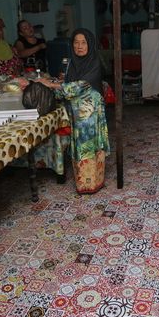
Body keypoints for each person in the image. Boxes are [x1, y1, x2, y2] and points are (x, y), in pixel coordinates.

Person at [38, 28, 109, 194]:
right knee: (79, 147)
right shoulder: (71, 62)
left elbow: (79, 86)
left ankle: (92, 183)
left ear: (90, 44)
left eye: (83, 42)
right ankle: (83, 183)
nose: (79, 46)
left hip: (89, 114)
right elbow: (67, 82)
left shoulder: (94, 62)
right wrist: (57, 82)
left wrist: (52, 85)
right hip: (76, 113)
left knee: (89, 146)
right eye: (76, 42)